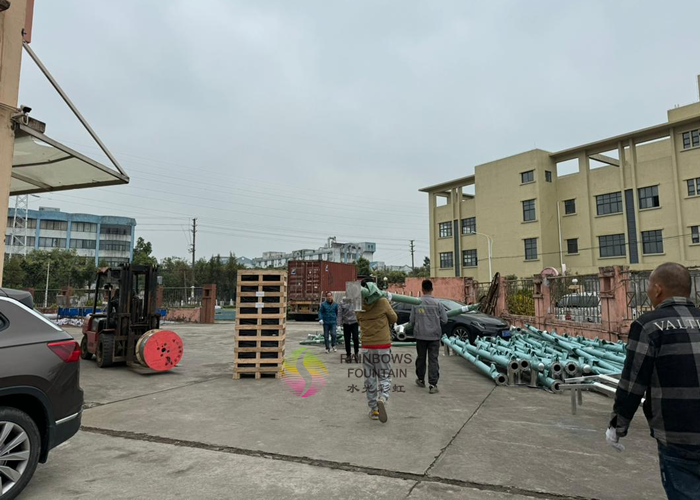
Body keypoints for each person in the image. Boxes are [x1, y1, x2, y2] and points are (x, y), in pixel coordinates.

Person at [608, 263, 700, 499]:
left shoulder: (649, 325)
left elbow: (633, 382)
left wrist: (618, 425)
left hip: (679, 436)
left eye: (649, 286)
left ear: (658, 289)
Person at [355, 279, 397, 423]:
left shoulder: (358, 304)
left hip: (367, 346)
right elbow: (394, 318)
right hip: (383, 346)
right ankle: (382, 399)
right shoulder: (383, 302)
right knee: (384, 376)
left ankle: (373, 409)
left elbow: (359, 320)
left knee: (370, 378)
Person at [410, 279, 448, 394]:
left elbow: (411, 321)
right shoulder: (438, 304)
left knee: (421, 358)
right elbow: (445, 320)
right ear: (432, 289)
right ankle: (433, 384)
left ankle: (421, 379)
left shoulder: (416, 303)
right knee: (433, 360)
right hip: (434, 337)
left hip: (420, 336)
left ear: (422, 289)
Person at [337, 296, 360, 362]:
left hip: (354, 322)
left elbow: (360, 310)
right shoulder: (342, 302)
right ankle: (348, 355)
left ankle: (356, 354)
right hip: (346, 323)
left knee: (355, 338)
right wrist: (339, 323)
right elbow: (340, 313)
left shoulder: (356, 300)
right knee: (347, 339)